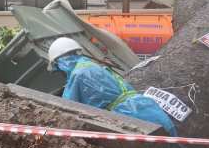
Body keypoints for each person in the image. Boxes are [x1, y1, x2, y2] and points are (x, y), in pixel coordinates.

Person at [48, 37, 177, 135]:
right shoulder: (93, 66)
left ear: (60, 63)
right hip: (147, 108)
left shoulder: (78, 75)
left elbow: (66, 107)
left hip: (130, 117)